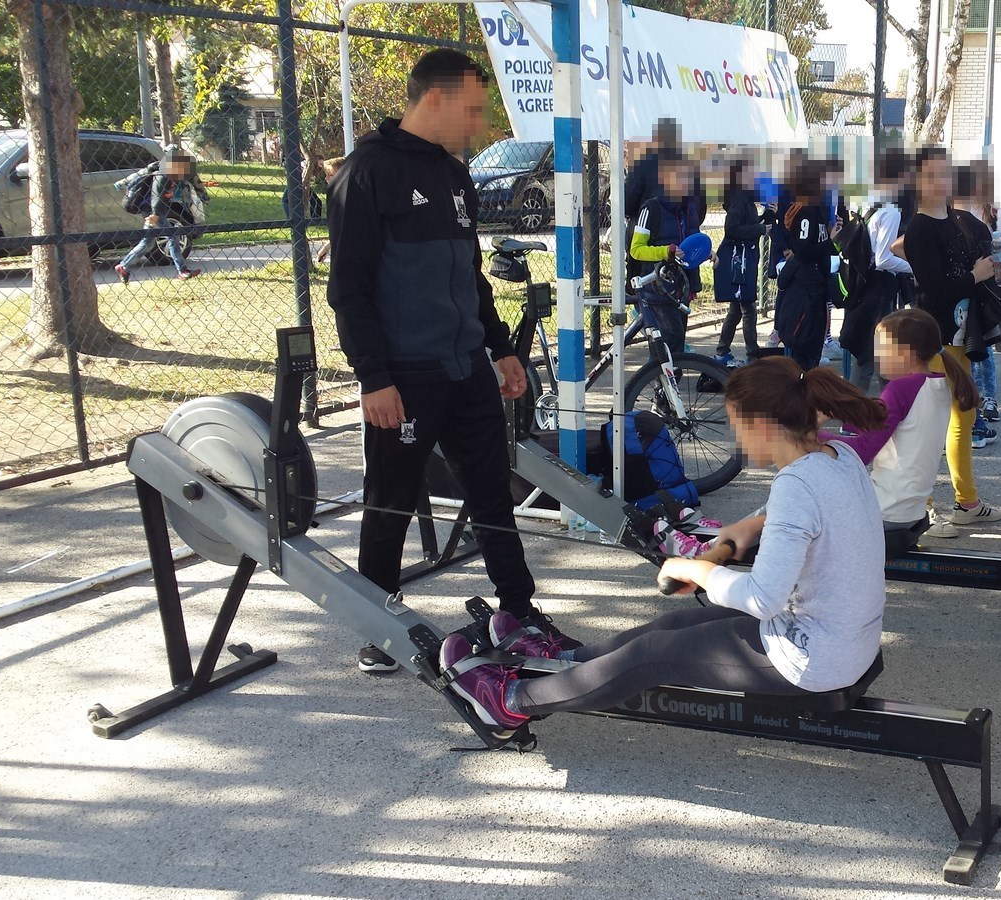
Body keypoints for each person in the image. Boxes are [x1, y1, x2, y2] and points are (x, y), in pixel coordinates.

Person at [437, 356, 888, 723]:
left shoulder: (795, 485)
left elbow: (763, 598)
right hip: (839, 640)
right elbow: (817, 514)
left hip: (813, 659)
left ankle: (508, 701)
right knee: (672, 628)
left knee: (652, 656)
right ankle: (566, 658)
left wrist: (698, 569)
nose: (736, 438)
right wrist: (750, 526)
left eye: (737, 426)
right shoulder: (837, 455)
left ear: (763, 426)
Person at [327, 49, 571, 673]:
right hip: (405, 378)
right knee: (391, 499)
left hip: (466, 369)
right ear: (434, 99)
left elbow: (471, 277)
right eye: (473, 110)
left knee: (493, 492)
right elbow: (348, 289)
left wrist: (502, 348)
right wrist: (373, 378)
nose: (480, 125)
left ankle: (518, 611)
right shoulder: (366, 172)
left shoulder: (455, 176)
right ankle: (379, 627)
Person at [660, 309, 971, 561]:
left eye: (882, 348)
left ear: (906, 353)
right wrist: (836, 413)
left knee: (798, 494)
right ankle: (725, 533)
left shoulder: (900, 389)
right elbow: (879, 424)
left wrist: (812, 434)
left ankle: (713, 545)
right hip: (908, 510)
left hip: (884, 512)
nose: (877, 355)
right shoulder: (937, 383)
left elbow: (863, 451)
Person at [898, 147, 1001, 528]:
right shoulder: (919, 229)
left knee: (964, 416)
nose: (940, 181)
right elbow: (934, 291)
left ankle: (967, 503)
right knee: (928, 424)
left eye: (945, 172)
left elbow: (986, 259)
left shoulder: (960, 220)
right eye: (931, 174)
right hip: (934, 339)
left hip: (964, 337)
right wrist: (976, 276)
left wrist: (999, 268)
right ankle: (922, 508)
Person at [840, 147, 917, 395]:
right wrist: (914, 267)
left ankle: (889, 407)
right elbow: (884, 259)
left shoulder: (869, 205)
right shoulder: (891, 211)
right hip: (880, 289)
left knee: (877, 356)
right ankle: (856, 412)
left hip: (863, 285)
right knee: (872, 356)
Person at [957, 159, 1001, 448]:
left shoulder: (993, 211)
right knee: (970, 346)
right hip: (969, 285)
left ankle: (987, 401)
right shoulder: (953, 211)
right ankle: (978, 407)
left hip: (988, 287)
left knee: (983, 344)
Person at [629, 152, 702, 352]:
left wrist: (707, 252)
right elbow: (636, 250)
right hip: (656, 288)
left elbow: (692, 242)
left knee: (676, 344)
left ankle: (669, 373)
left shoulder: (689, 209)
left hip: (680, 289)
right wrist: (665, 252)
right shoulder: (650, 209)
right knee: (668, 345)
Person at [775, 160, 837, 370]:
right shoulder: (805, 212)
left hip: (816, 286)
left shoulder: (817, 210)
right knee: (803, 352)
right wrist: (829, 242)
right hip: (805, 289)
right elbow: (804, 250)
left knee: (813, 350)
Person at [113, 148, 203, 283]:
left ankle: (123, 266)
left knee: (147, 242)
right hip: (152, 210)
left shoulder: (172, 176)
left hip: (155, 210)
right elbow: (156, 196)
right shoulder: (161, 176)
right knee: (173, 235)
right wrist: (155, 215)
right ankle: (183, 270)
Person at [713, 158, 766, 368]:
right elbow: (732, 229)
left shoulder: (745, 198)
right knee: (748, 309)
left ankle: (722, 350)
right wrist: (760, 229)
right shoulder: (739, 197)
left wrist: (764, 218)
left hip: (742, 259)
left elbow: (746, 223)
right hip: (738, 261)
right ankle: (752, 354)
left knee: (736, 309)